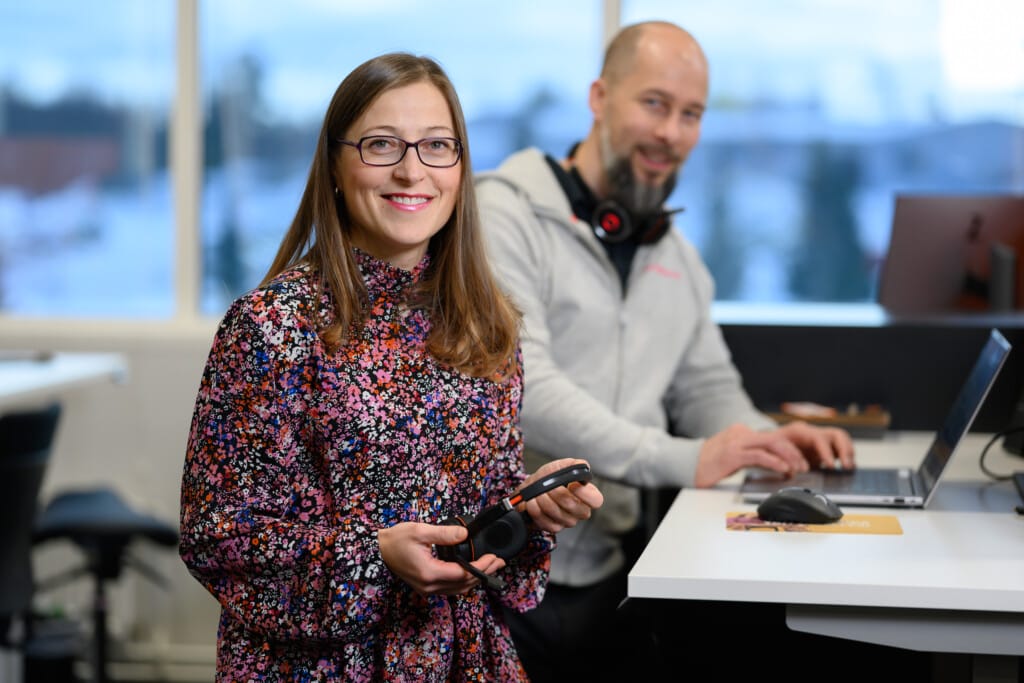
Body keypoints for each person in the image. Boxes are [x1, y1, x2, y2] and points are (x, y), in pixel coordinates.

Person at [179, 52, 603, 682]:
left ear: (460, 167)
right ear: (335, 167)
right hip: (318, 668)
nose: (412, 171)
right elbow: (216, 534)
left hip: (463, 659)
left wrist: (527, 507)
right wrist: (373, 557)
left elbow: (471, 498)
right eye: (381, 145)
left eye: (437, 145)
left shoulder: (486, 323)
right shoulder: (272, 326)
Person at [474, 21, 858, 681]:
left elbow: (707, 386)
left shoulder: (676, 256)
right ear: (598, 97)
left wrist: (768, 445)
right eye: (653, 103)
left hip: (610, 575)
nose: (671, 133)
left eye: (691, 114)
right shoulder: (502, 217)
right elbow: (526, 387)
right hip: (494, 575)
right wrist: (690, 458)